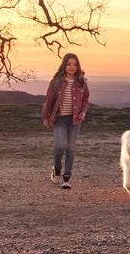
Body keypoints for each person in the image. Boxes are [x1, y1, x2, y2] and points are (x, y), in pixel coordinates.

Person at [40, 53, 90, 189]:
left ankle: (67, 177)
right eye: (69, 64)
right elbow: (49, 100)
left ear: (77, 66)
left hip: (75, 120)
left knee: (71, 148)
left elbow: (86, 99)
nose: (72, 67)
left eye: (74, 64)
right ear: (64, 65)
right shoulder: (56, 81)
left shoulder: (81, 82)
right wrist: (46, 117)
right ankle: (56, 169)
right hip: (59, 119)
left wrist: (83, 112)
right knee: (60, 145)